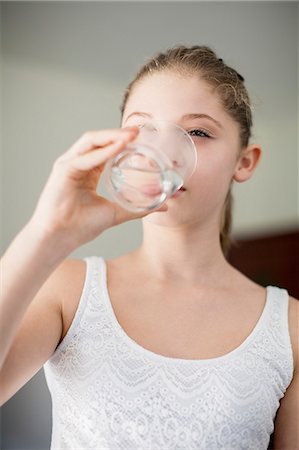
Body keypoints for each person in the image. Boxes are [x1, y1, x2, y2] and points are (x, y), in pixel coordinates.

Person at [0, 45, 298, 450]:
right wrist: (47, 232)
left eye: (197, 133)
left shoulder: (290, 328)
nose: (164, 152)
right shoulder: (68, 290)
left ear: (244, 162)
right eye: (143, 129)